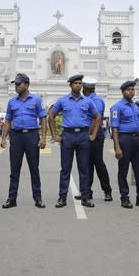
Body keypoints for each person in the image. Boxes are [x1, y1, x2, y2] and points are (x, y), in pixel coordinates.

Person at [48, 74, 100, 208]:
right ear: (70, 85)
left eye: (80, 83)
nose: (78, 85)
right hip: (68, 136)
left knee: (84, 168)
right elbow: (51, 115)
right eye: (75, 83)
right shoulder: (63, 101)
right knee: (65, 169)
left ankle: (85, 197)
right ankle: (62, 197)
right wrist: (54, 135)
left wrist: (93, 134)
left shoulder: (87, 101)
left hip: (83, 136)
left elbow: (97, 117)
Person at [0, 73, 47, 209]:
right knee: (14, 170)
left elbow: (43, 118)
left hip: (31, 136)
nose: (16, 86)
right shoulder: (12, 102)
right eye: (15, 84)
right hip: (16, 137)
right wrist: (3, 138)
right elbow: (8, 120)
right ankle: (12, 199)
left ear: (26, 85)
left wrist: (43, 137)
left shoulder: (36, 100)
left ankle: (38, 198)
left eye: (18, 84)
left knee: (34, 169)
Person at [110, 80, 139, 209]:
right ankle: (124, 198)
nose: (131, 91)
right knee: (123, 170)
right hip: (124, 139)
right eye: (128, 90)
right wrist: (117, 147)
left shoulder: (135, 107)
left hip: (136, 140)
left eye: (132, 89)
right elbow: (114, 128)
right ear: (122, 92)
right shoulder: (117, 107)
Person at [80, 77, 112, 201]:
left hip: (95, 135)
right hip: (86, 134)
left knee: (98, 163)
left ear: (85, 88)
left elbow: (96, 118)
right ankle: (87, 191)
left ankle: (107, 190)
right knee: (87, 164)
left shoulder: (96, 101)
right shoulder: (85, 99)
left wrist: (89, 134)